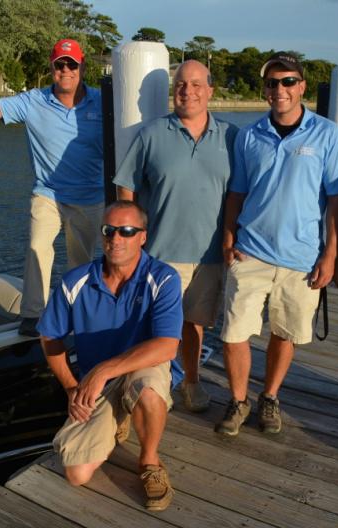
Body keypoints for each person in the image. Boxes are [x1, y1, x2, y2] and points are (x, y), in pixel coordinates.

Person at [216, 52, 338, 437]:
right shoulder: (249, 135)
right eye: (273, 82)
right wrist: (228, 237)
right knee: (234, 333)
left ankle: (270, 396)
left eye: (288, 81)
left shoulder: (329, 135)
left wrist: (332, 254)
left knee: (285, 331)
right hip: (250, 251)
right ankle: (239, 399)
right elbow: (236, 193)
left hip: (302, 257)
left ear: (302, 86)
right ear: (265, 89)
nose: (280, 89)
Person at [0, 39, 103, 337]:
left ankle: (78, 314)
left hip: (89, 197)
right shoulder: (34, 100)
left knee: (81, 262)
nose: (66, 70)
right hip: (47, 194)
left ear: (82, 67)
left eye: (72, 65)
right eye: (59, 64)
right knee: (38, 248)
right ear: (51, 67)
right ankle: (33, 314)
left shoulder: (102, 102)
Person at [37, 200, 182, 512]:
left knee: (148, 392)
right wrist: (70, 386)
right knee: (77, 474)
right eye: (109, 230)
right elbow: (49, 335)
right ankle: (119, 416)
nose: (116, 238)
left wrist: (103, 369)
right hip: (96, 383)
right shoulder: (74, 282)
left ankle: (149, 461)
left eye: (127, 231)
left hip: (143, 367)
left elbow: (167, 346)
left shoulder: (164, 278)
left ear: (143, 236)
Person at [114, 60, 237, 413]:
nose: (188, 91)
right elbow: (127, 186)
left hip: (209, 255)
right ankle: (152, 388)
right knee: (153, 326)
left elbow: (243, 193)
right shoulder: (152, 134)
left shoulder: (231, 136)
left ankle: (192, 382)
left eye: (196, 84)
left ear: (210, 90)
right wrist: (130, 235)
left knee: (194, 325)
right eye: (181, 84)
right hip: (159, 253)